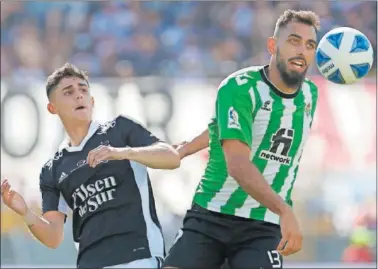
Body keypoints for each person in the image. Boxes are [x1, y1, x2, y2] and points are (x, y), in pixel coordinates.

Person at [163, 10, 320, 269]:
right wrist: (285, 210)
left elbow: (239, 127)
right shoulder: (239, 87)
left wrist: (187, 147)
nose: (302, 50)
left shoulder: (310, 95)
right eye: (293, 41)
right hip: (212, 215)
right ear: (272, 45)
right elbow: (237, 164)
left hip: (263, 226)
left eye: (310, 45)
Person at [1, 63, 181, 268]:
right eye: (68, 92)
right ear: (52, 108)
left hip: (137, 257)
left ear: (92, 101)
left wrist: (122, 152)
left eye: (83, 90)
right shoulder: (52, 169)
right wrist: (25, 213)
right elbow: (53, 237)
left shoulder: (120, 129)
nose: (79, 96)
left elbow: (171, 158)